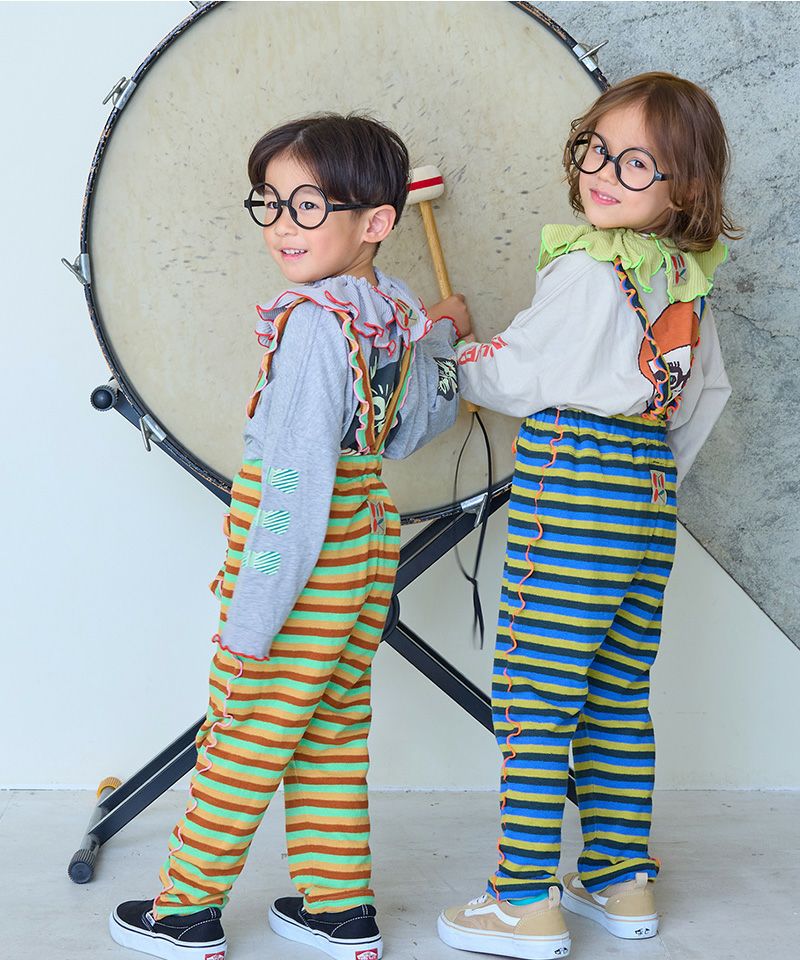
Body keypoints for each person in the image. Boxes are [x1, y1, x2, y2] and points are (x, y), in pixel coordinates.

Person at [109, 113, 466, 960]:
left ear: (376, 221)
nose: (281, 225)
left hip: (302, 552)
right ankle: (339, 911)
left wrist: (255, 615)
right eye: (269, 203)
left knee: (247, 728)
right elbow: (414, 431)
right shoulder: (394, 312)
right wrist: (443, 339)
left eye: (309, 206)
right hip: (365, 544)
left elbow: (293, 487)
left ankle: (185, 913)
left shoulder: (313, 323)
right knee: (329, 728)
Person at [438, 73, 737, 960]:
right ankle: (619, 876)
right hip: (648, 495)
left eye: (635, 162)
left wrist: (452, 347)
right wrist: (646, 478)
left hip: (573, 493)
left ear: (685, 184)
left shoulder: (586, 268)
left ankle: (523, 900)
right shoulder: (686, 281)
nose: (603, 172)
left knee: (535, 696)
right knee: (615, 694)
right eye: (595, 150)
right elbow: (705, 396)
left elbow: (518, 373)